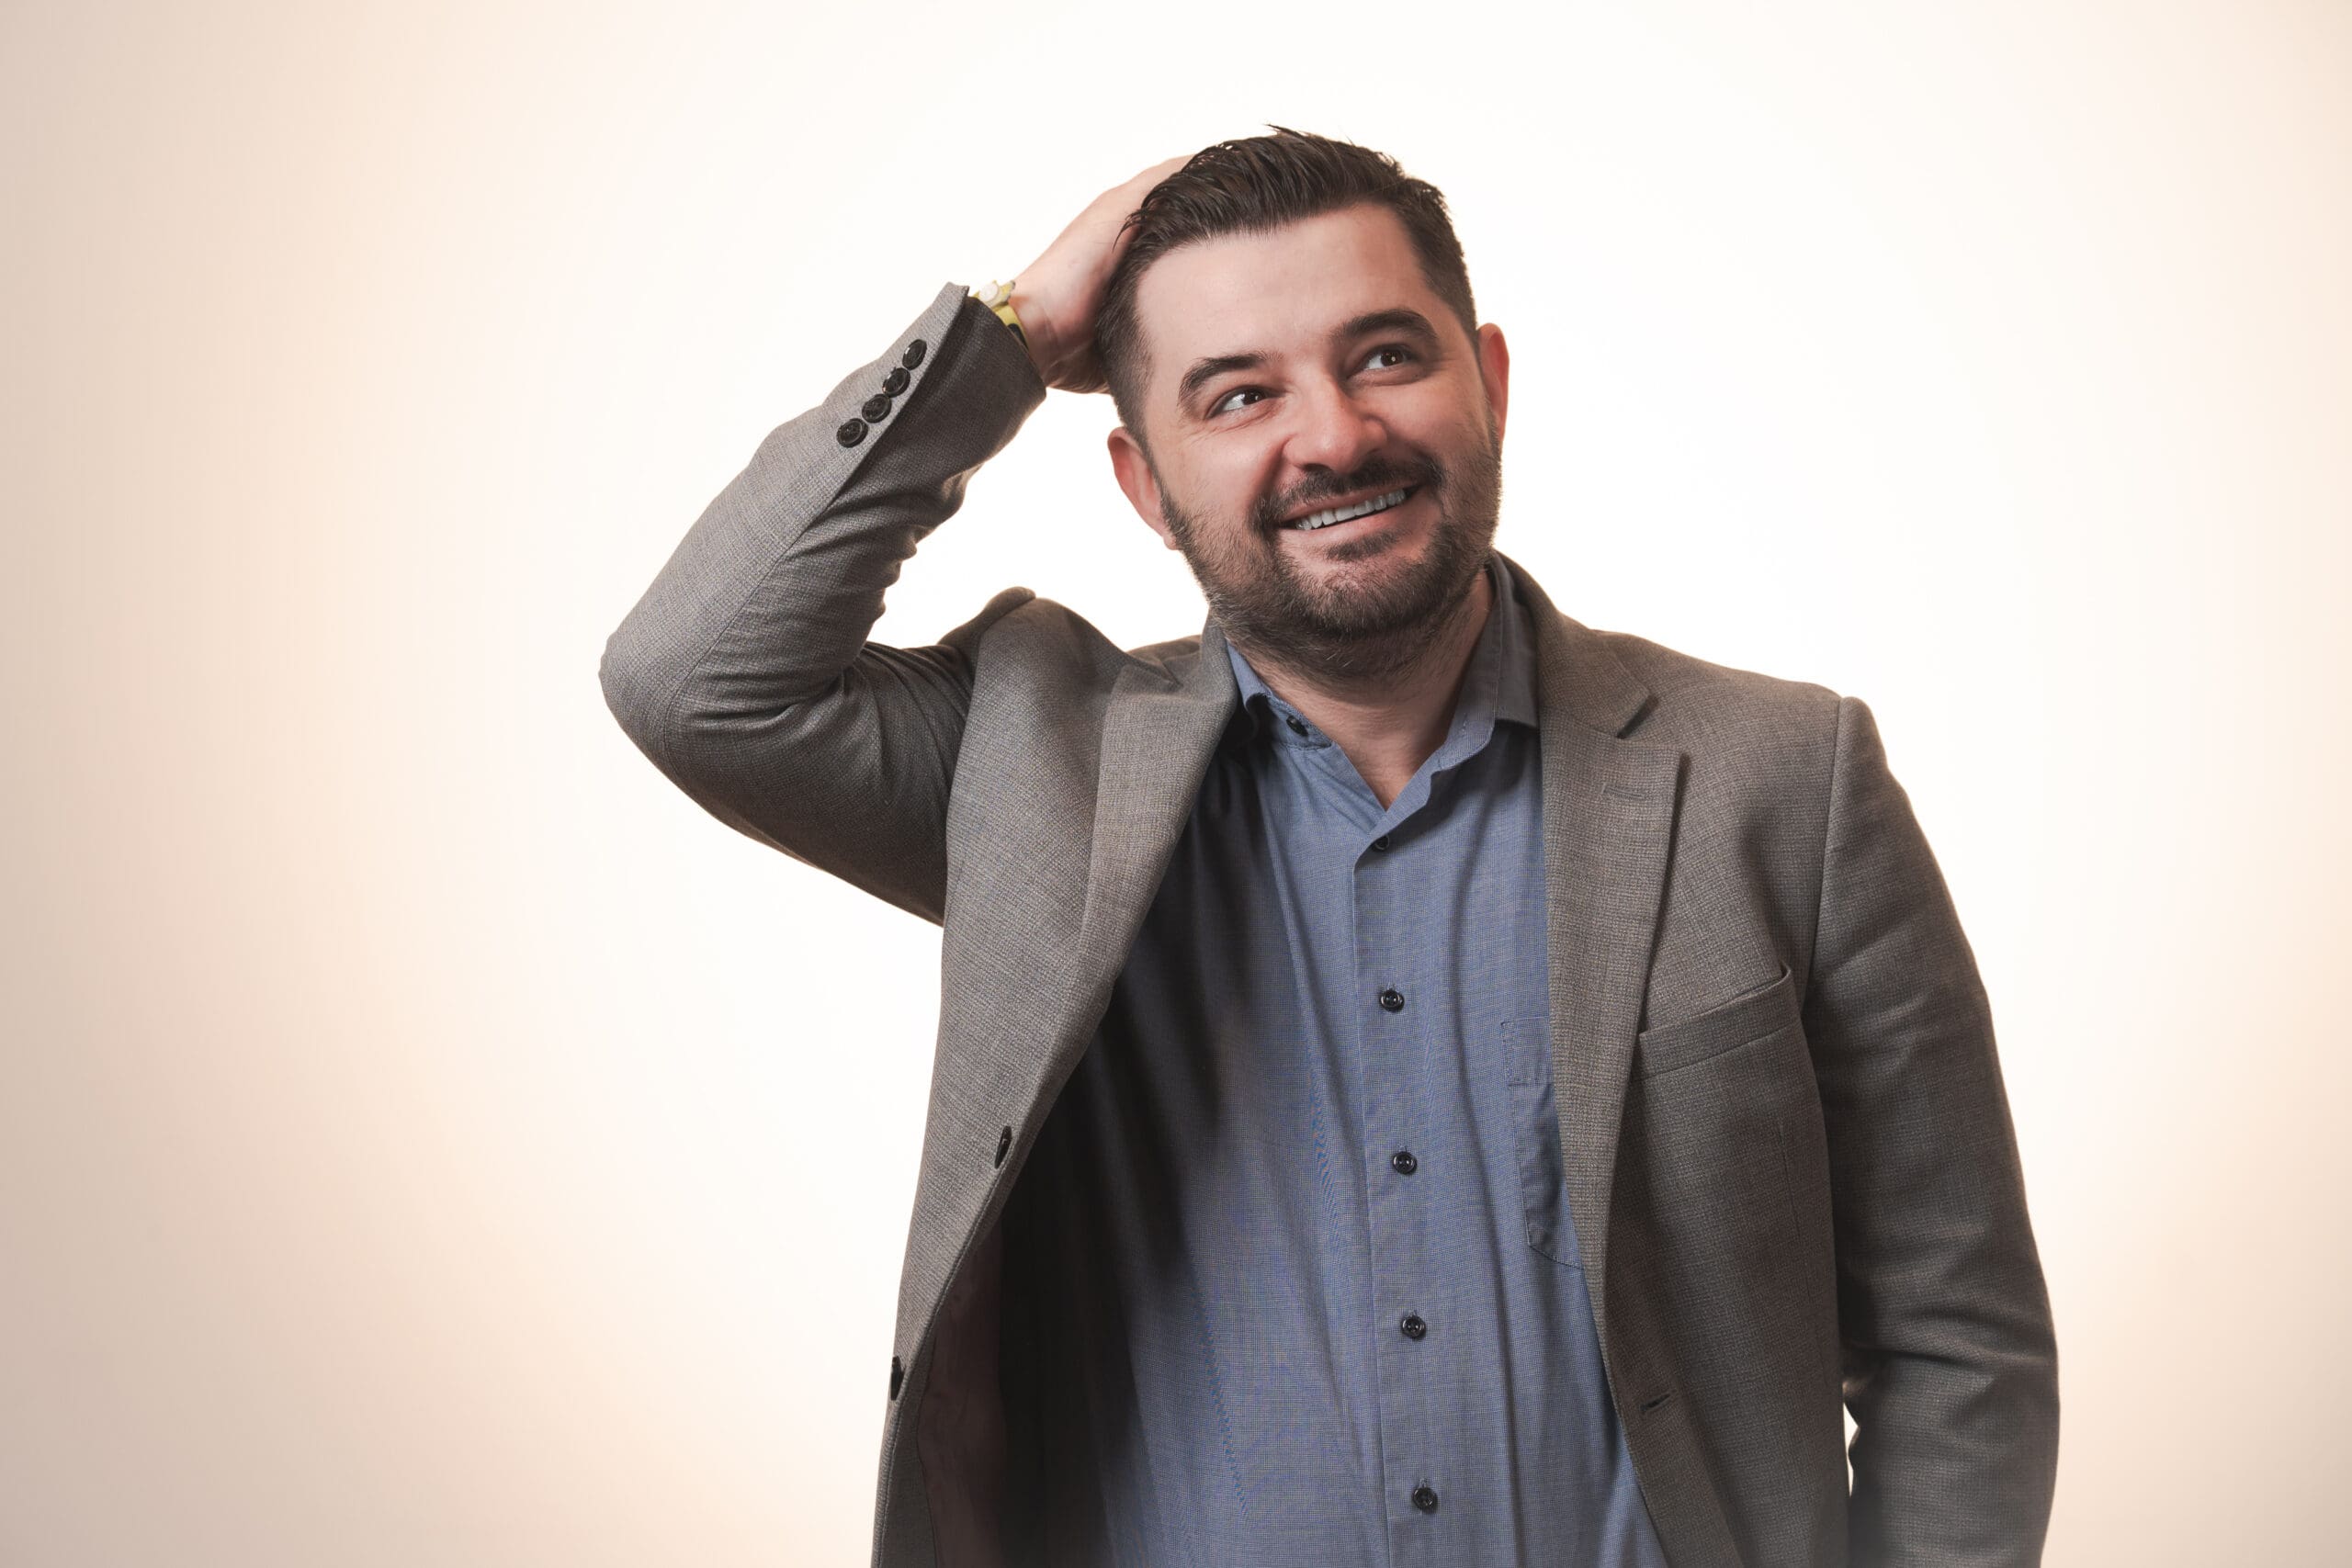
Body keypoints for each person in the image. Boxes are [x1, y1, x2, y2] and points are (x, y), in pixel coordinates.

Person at [600, 128, 2059, 1568]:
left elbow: (1960, 1339)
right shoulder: (1028, 769)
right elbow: (691, 680)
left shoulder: (1783, 779)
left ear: (1486, 381)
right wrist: (1009, 335)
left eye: (1385, 357)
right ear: (1143, 484)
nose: (1337, 437)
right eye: (1238, 395)